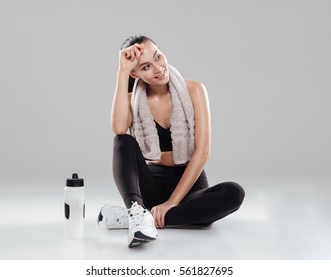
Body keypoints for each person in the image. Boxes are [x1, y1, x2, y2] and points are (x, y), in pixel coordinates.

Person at [97, 35, 245, 248]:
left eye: (158, 57)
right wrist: (122, 72)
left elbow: (202, 152)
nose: (158, 68)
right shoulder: (133, 100)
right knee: (122, 142)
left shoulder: (194, 90)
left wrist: (171, 203)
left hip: (191, 187)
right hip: (152, 186)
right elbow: (119, 129)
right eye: (146, 67)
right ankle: (138, 211)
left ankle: (140, 219)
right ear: (135, 73)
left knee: (233, 192)